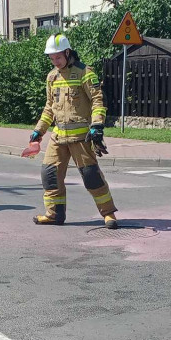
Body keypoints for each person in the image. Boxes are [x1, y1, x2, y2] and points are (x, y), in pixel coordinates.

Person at [29, 34, 118, 229]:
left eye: (58, 58)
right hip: (58, 136)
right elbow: (49, 107)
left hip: (81, 137)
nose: (55, 62)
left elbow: (97, 101)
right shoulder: (52, 77)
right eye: (52, 59)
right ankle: (54, 215)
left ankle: (108, 213)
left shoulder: (85, 73)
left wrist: (97, 126)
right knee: (49, 174)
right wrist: (39, 131)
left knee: (91, 175)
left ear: (68, 53)